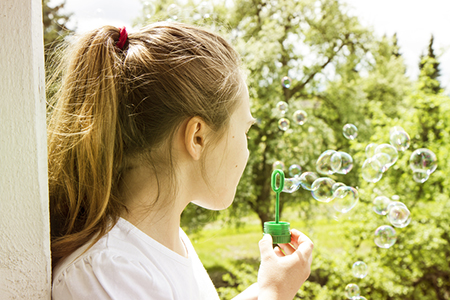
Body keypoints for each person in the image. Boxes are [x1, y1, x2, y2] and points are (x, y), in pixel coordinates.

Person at [48, 22, 313, 300]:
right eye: (245, 130)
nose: (247, 149)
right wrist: (275, 294)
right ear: (197, 137)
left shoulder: (167, 241)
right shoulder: (105, 273)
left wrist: (263, 290)